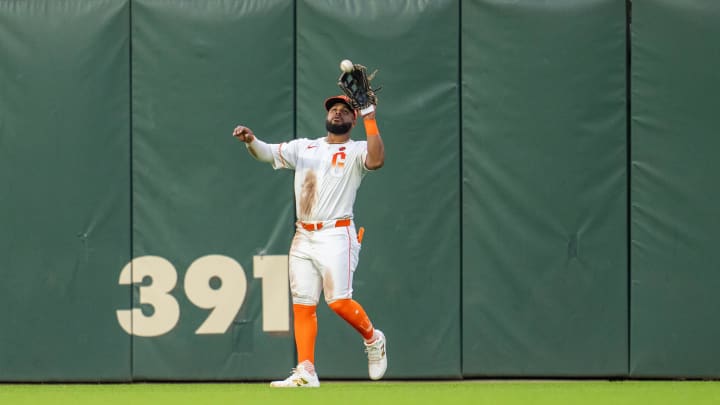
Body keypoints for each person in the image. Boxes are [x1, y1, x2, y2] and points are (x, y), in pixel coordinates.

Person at [232, 95, 387, 388]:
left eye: (344, 110)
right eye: (333, 109)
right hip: (304, 234)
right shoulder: (305, 147)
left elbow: (377, 160)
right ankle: (306, 370)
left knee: (338, 301)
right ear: (326, 116)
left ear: (353, 120)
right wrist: (251, 140)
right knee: (303, 304)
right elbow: (267, 153)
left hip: (336, 231)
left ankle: (373, 337)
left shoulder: (356, 150)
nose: (337, 113)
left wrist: (370, 117)